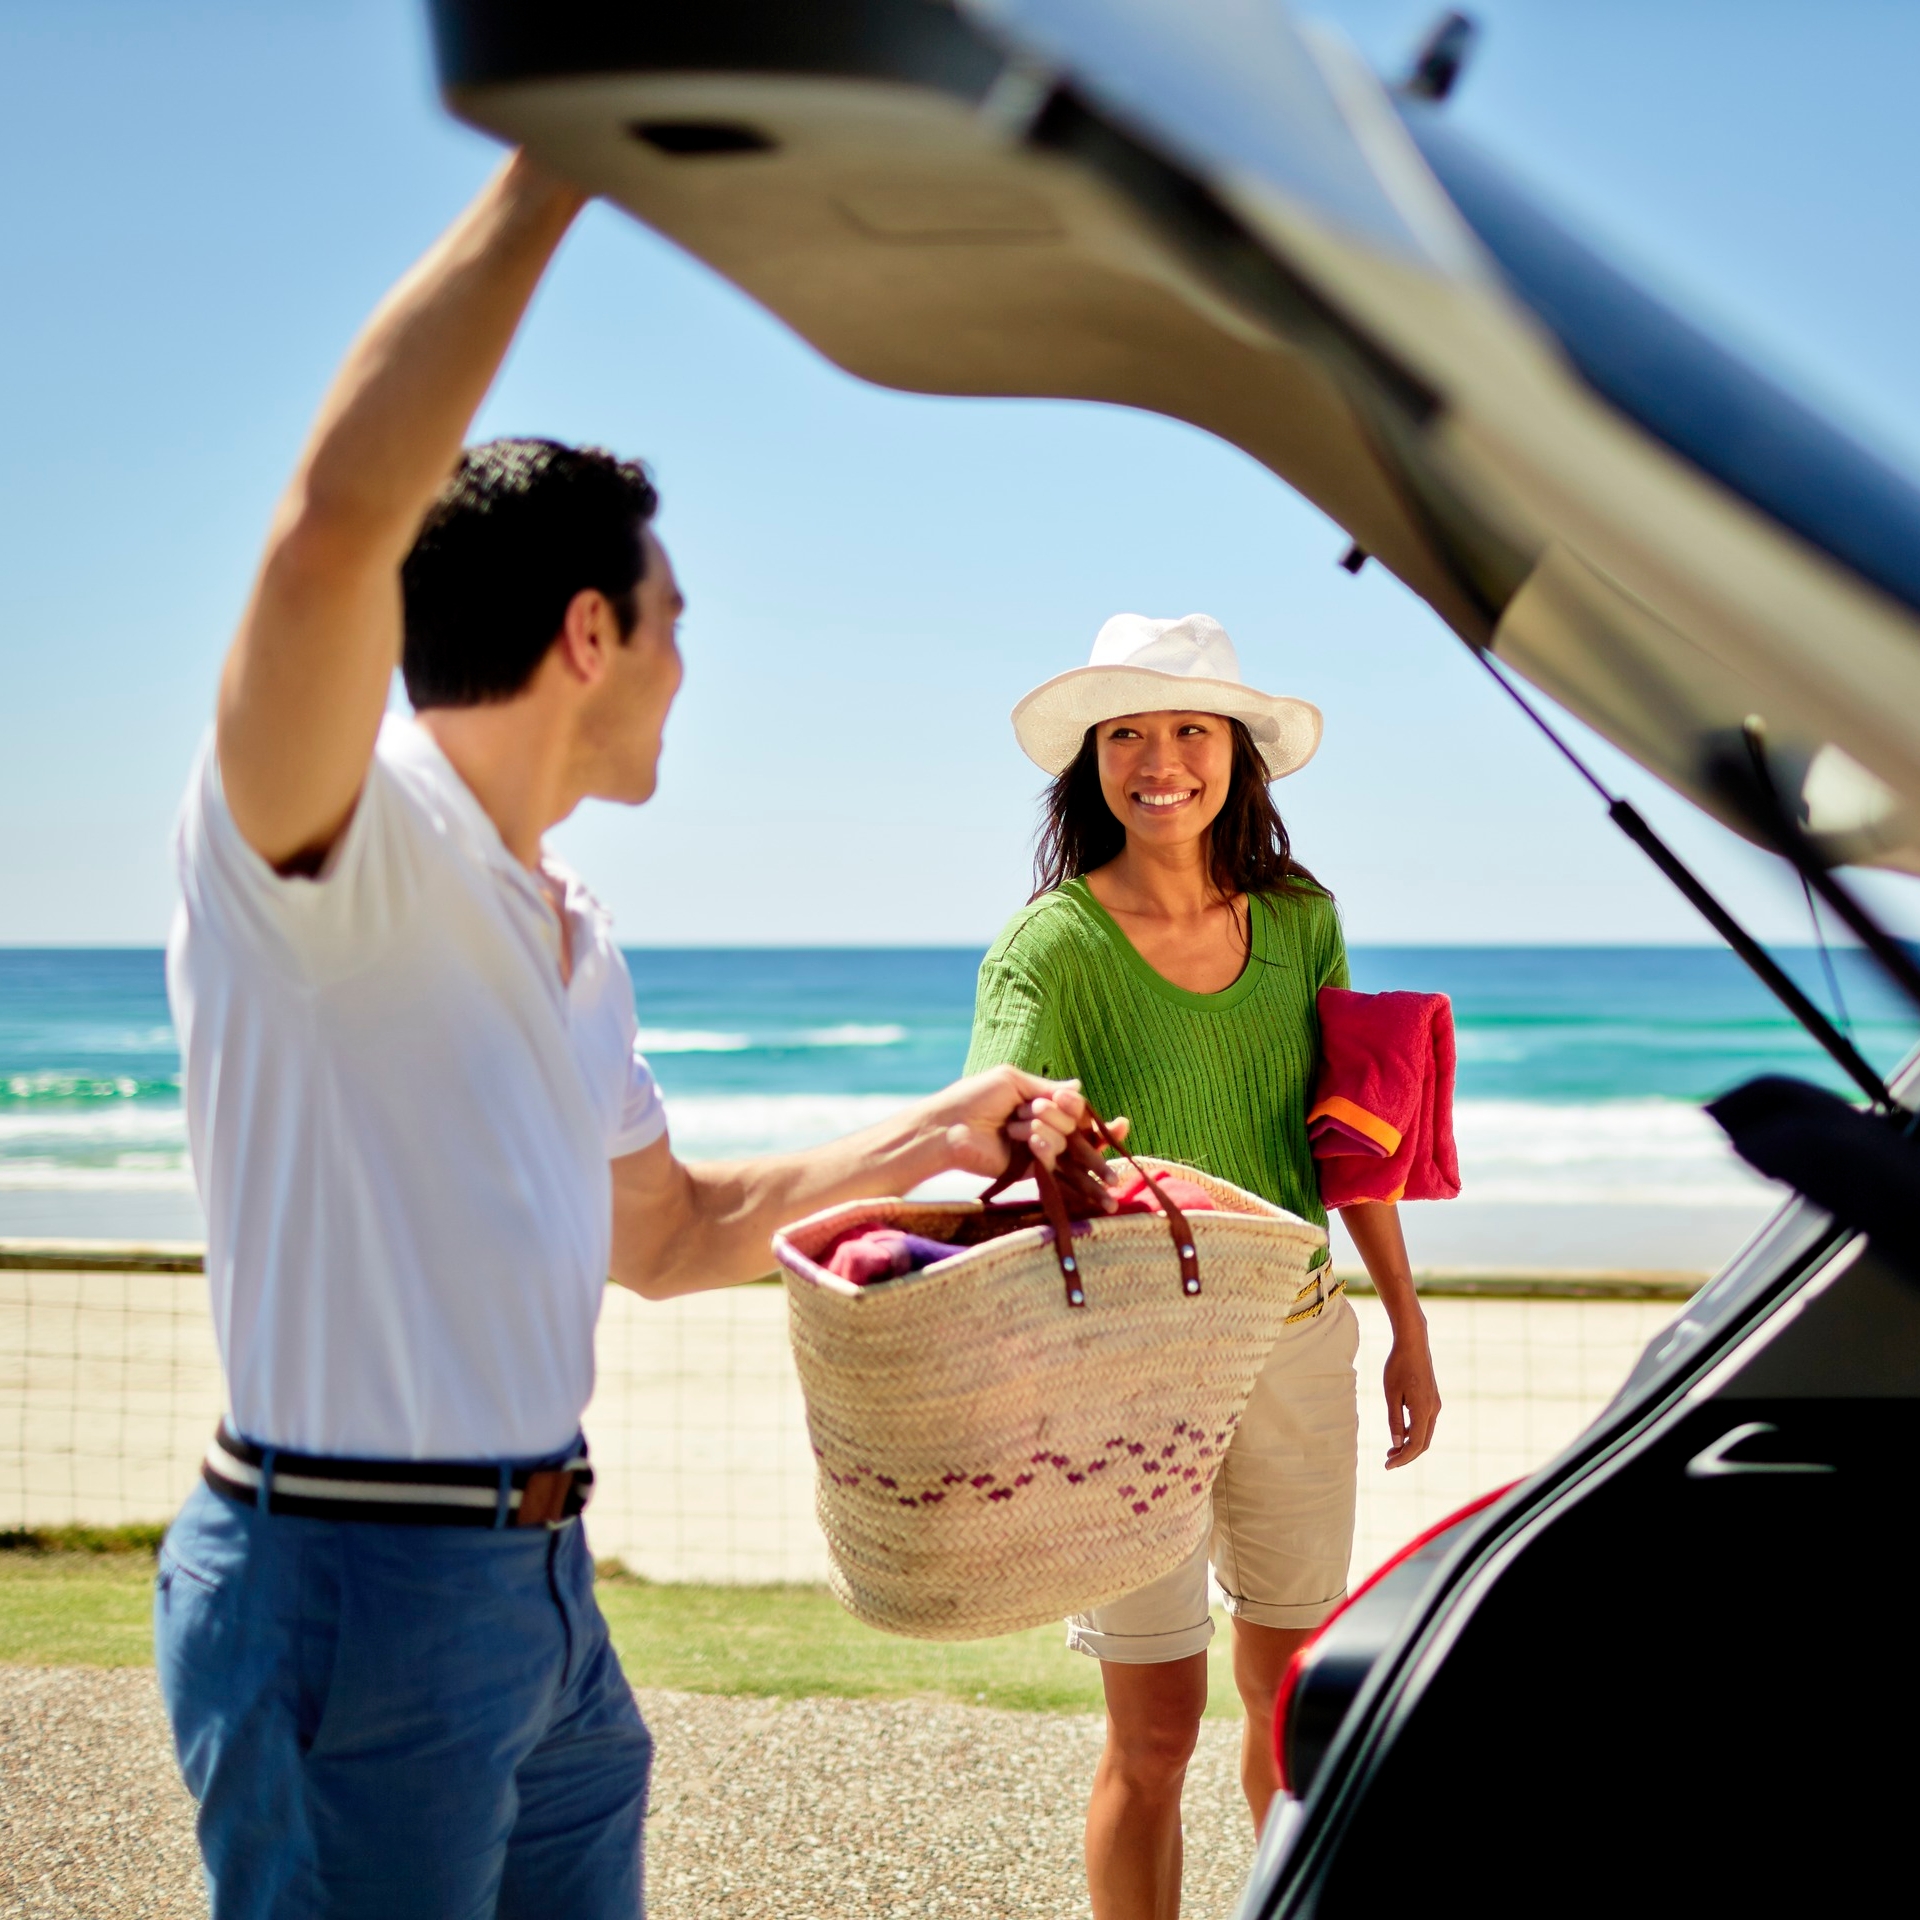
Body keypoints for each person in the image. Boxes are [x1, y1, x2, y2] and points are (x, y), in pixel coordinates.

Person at [157, 152, 1100, 1920]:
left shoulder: (568, 929)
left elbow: (662, 1238)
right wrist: (552, 177)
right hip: (353, 1586)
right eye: (674, 628)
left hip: (540, 1591)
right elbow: (329, 533)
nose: (687, 667)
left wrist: (942, 1131)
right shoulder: (331, 846)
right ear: (589, 634)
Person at [965, 612, 1443, 1920]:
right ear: (1093, 762)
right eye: (1128, 732)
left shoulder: (1302, 922)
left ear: (1237, 753)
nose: (1159, 758)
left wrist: (1405, 1322)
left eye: (1189, 730)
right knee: (1155, 1729)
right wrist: (1041, 1131)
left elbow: (1354, 1144)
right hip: (1125, 1370)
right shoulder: (1052, 944)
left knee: (1295, 1708)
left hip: (1295, 1334)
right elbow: (992, 1108)